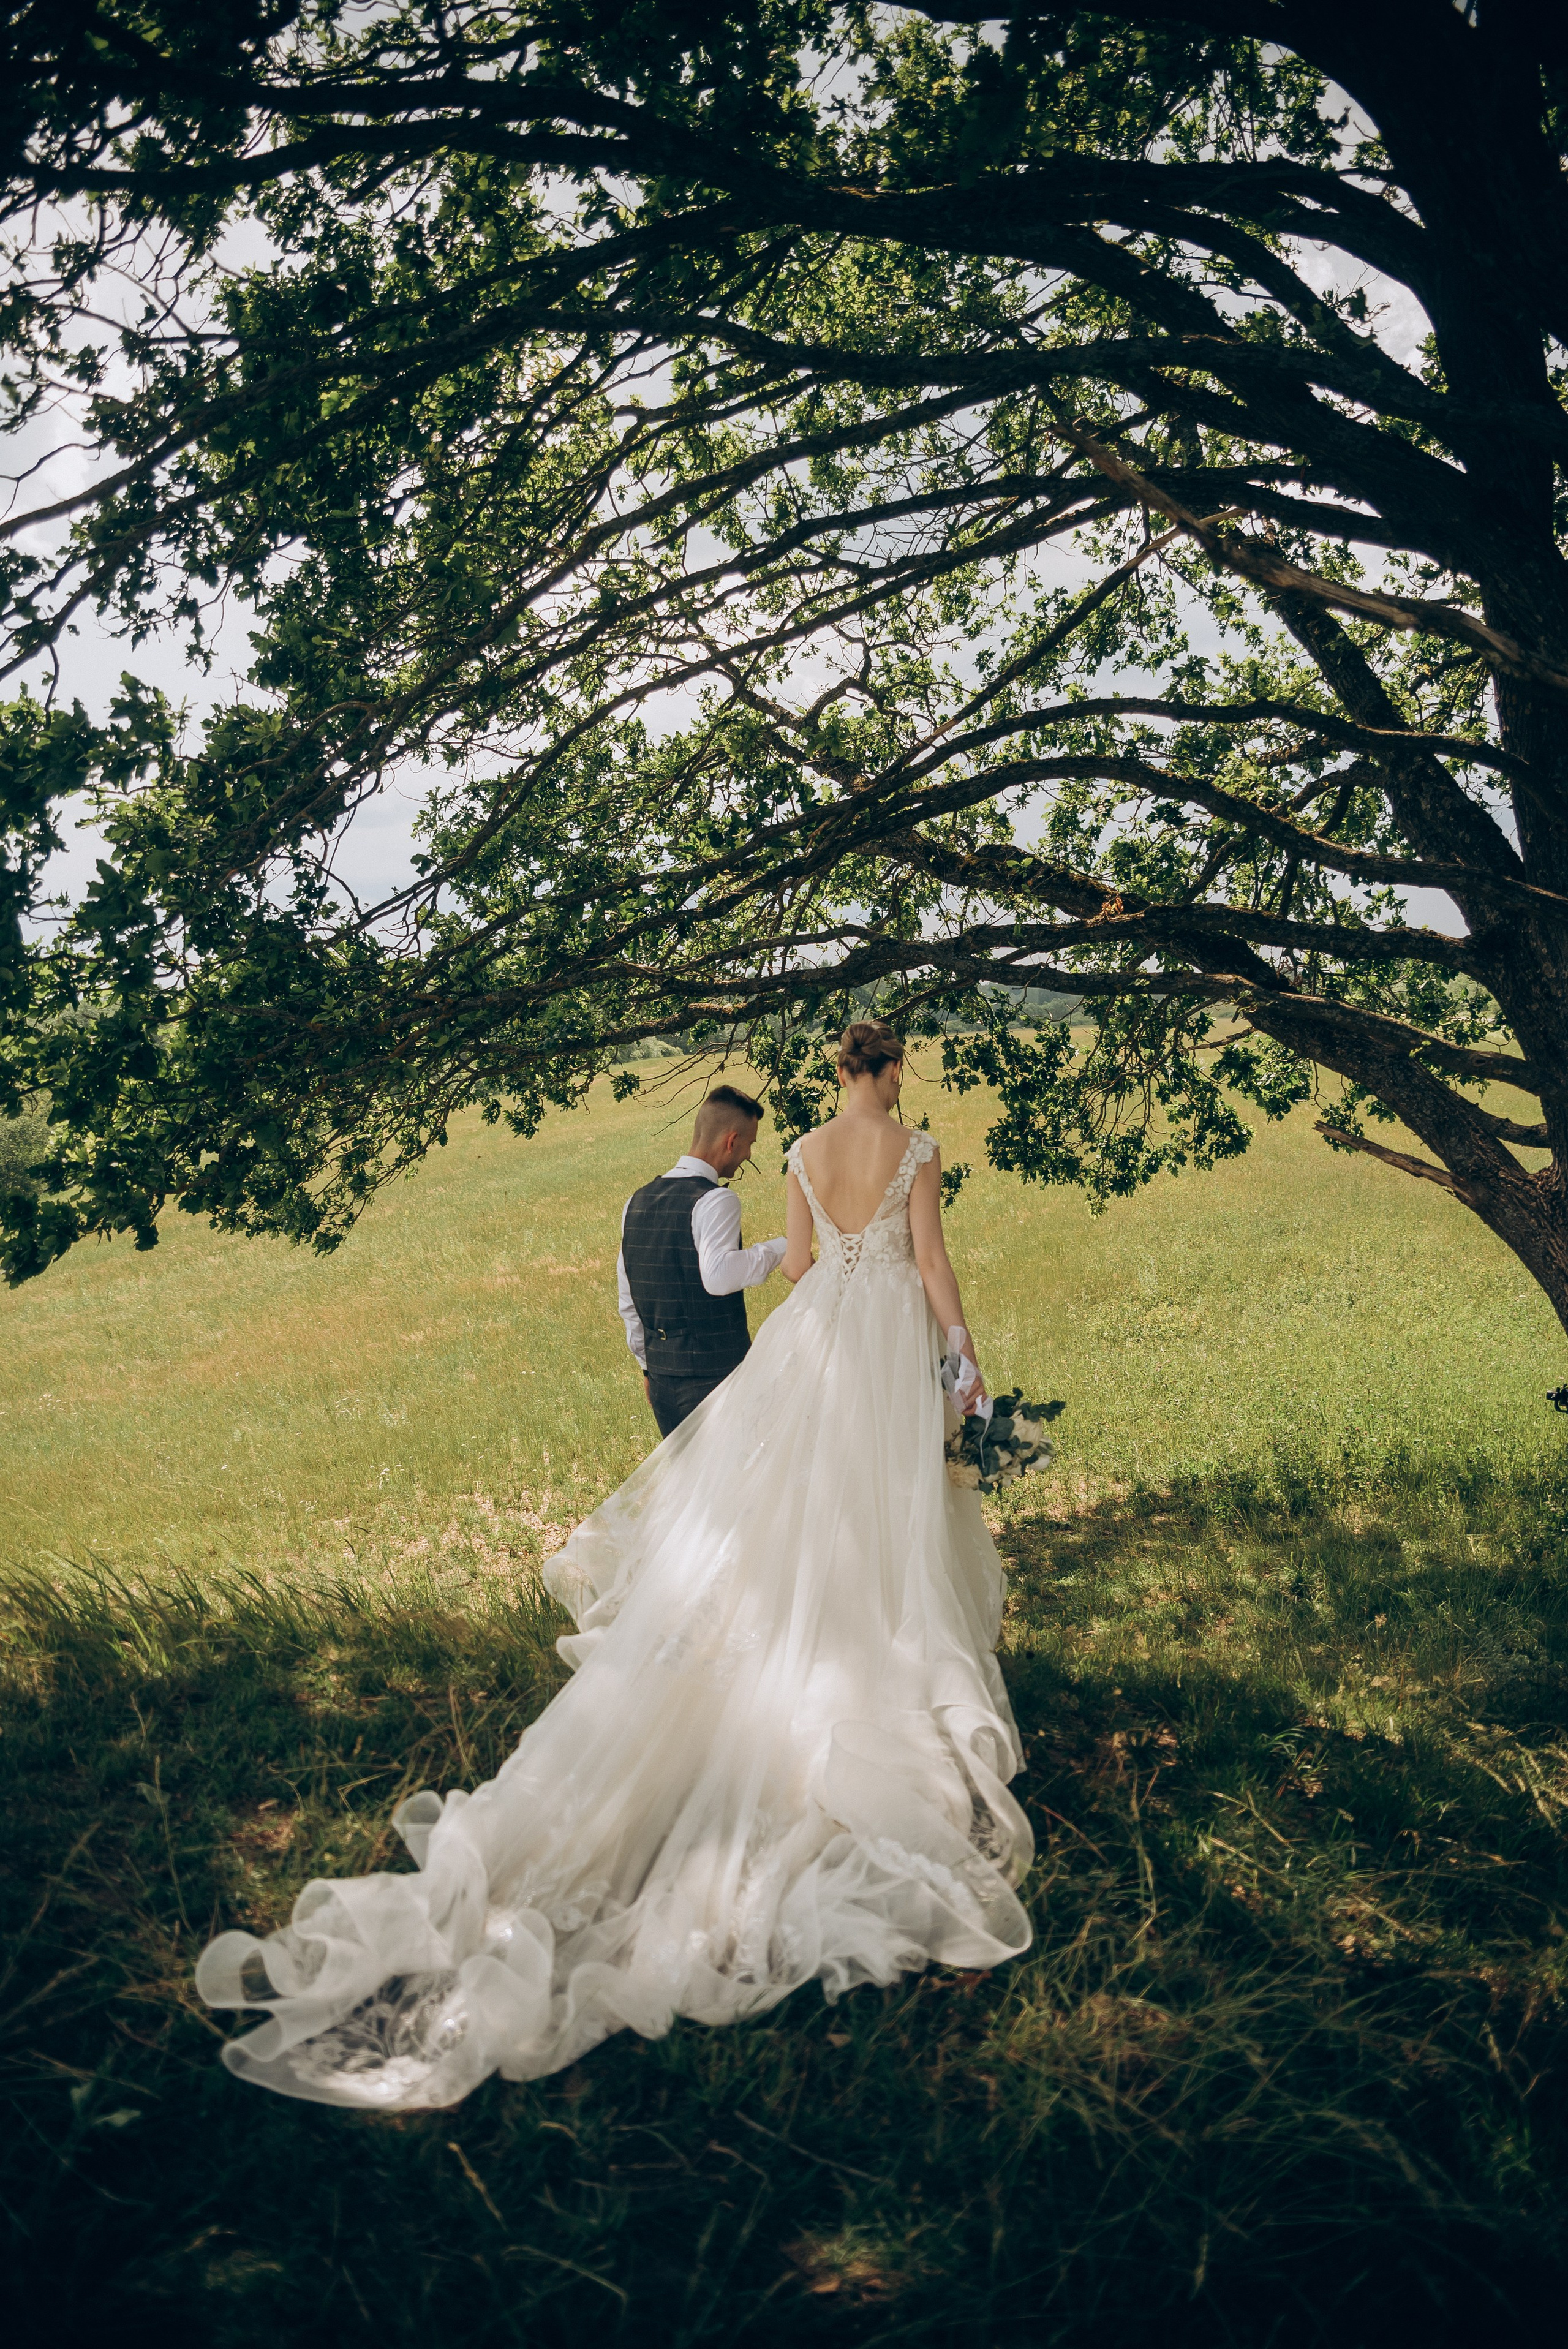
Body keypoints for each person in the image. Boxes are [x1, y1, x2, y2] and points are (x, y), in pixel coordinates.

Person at [195, 1020, 1033, 2108]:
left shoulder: (800, 1156)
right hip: (883, 1339)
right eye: (899, 1067)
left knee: (781, 1520)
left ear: (836, 1076)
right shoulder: (916, 1150)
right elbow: (928, 1261)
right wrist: (958, 1353)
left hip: (822, 1334)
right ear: (890, 1071)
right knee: (890, 1514)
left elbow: (805, 1267)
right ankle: (870, 1657)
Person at [617, 1084, 786, 1438]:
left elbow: (629, 1299)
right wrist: (782, 1248)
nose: (748, 1154)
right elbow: (719, 1276)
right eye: (750, 1144)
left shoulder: (637, 1202)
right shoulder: (714, 1200)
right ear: (732, 1141)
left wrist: (649, 1370)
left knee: (690, 1489)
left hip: (663, 1379)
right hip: (717, 1374)